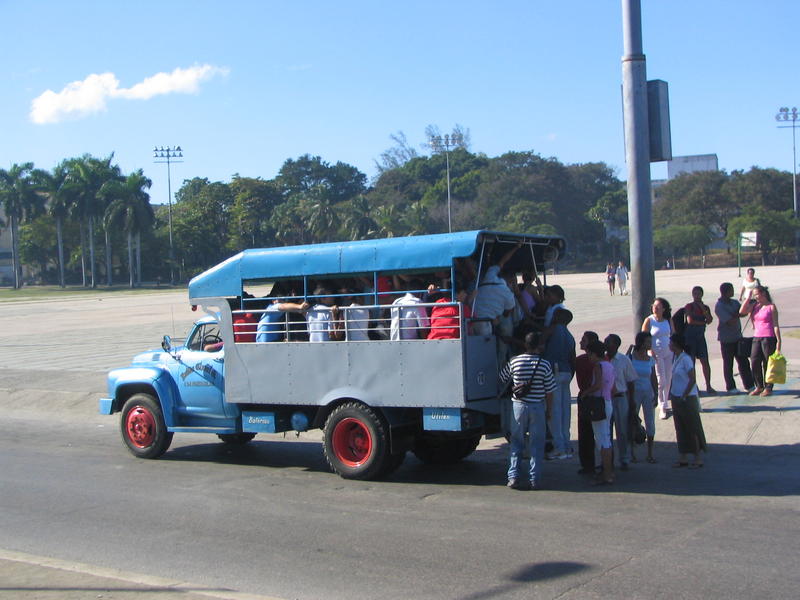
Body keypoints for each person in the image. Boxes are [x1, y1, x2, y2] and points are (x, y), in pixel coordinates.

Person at [498, 331, 556, 490]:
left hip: (518, 406)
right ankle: (534, 479)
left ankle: (513, 477)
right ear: (539, 346)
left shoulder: (515, 361)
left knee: (516, 443)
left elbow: (502, 378)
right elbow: (550, 391)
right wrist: (549, 411)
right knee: (537, 444)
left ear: (525, 344)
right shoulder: (544, 364)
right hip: (537, 406)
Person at [578, 340, 615, 485]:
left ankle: (606, 474)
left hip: (598, 403)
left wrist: (585, 393)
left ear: (594, 354)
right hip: (607, 402)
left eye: (589, 354)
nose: (589, 357)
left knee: (601, 441)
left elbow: (598, 384)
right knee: (606, 438)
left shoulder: (598, 366)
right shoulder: (609, 365)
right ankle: (609, 472)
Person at [668, 333, 707, 468]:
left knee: (692, 427)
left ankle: (697, 457)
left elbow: (692, 379)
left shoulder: (686, 359)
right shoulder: (676, 357)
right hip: (676, 396)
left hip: (687, 398)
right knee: (680, 427)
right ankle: (683, 456)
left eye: (671, 343)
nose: (669, 345)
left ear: (676, 344)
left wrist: (684, 395)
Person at [542, 309, 576, 460]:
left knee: (553, 412)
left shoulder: (553, 329)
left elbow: (541, 343)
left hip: (553, 372)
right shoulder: (570, 336)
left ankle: (558, 447)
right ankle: (567, 446)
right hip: (566, 372)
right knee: (564, 411)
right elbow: (572, 358)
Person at [739, 285, 782, 397]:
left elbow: (776, 325)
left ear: (763, 294)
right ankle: (759, 386)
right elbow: (742, 311)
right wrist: (748, 298)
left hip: (769, 337)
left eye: (756, 294)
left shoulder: (771, 307)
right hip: (757, 337)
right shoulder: (755, 306)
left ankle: (768, 387)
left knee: (767, 363)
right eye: (754, 294)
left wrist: (779, 341)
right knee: (754, 361)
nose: (755, 296)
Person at [604, 334, 637, 471]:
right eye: (605, 342)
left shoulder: (624, 360)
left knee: (622, 430)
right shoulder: (603, 359)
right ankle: (608, 459)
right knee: (607, 430)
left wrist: (632, 401)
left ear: (616, 345)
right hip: (606, 398)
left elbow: (631, 381)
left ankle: (624, 458)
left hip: (621, 397)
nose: (606, 345)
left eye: (609, 343)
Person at [715, 282, 754, 394]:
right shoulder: (719, 306)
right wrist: (738, 314)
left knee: (743, 362)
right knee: (728, 364)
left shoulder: (734, 302)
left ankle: (749, 385)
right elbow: (729, 321)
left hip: (738, 337)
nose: (733, 292)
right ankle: (730, 387)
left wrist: (749, 305)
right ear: (725, 292)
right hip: (726, 339)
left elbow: (743, 313)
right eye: (731, 290)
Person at [642, 297, 674, 420]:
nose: (655, 308)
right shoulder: (649, 320)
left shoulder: (667, 320)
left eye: (658, 306)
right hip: (656, 354)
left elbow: (673, 335)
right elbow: (643, 337)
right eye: (654, 306)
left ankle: (665, 401)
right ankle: (662, 406)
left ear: (664, 309)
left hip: (668, 353)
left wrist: (674, 349)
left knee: (668, 377)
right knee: (661, 380)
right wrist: (649, 350)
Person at [629, 331, 658, 464]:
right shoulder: (631, 357)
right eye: (648, 341)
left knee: (650, 421)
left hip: (648, 392)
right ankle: (632, 452)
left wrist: (656, 394)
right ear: (641, 342)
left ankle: (650, 453)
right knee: (633, 421)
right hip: (634, 392)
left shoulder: (650, 359)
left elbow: (653, 378)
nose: (650, 344)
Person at [575, 331, 599, 474]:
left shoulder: (584, 361)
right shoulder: (580, 360)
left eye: (584, 340)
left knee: (586, 432)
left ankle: (588, 464)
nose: (580, 342)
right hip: (587, 397)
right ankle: (590, 463)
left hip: (588, 396)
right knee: (587, 432)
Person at [683, 286, 716, 394]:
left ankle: (708, 385)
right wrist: (703, 323)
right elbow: (690, 321)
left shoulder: (705, 307)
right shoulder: (689, 306)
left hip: (700, 337)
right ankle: (693, 385)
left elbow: (710, 320)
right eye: (695, 294)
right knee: (691, 363)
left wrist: (703, 310)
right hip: (690, 338)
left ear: (702, 294)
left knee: (705, 361)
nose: (697, 296)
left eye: (699, 294)